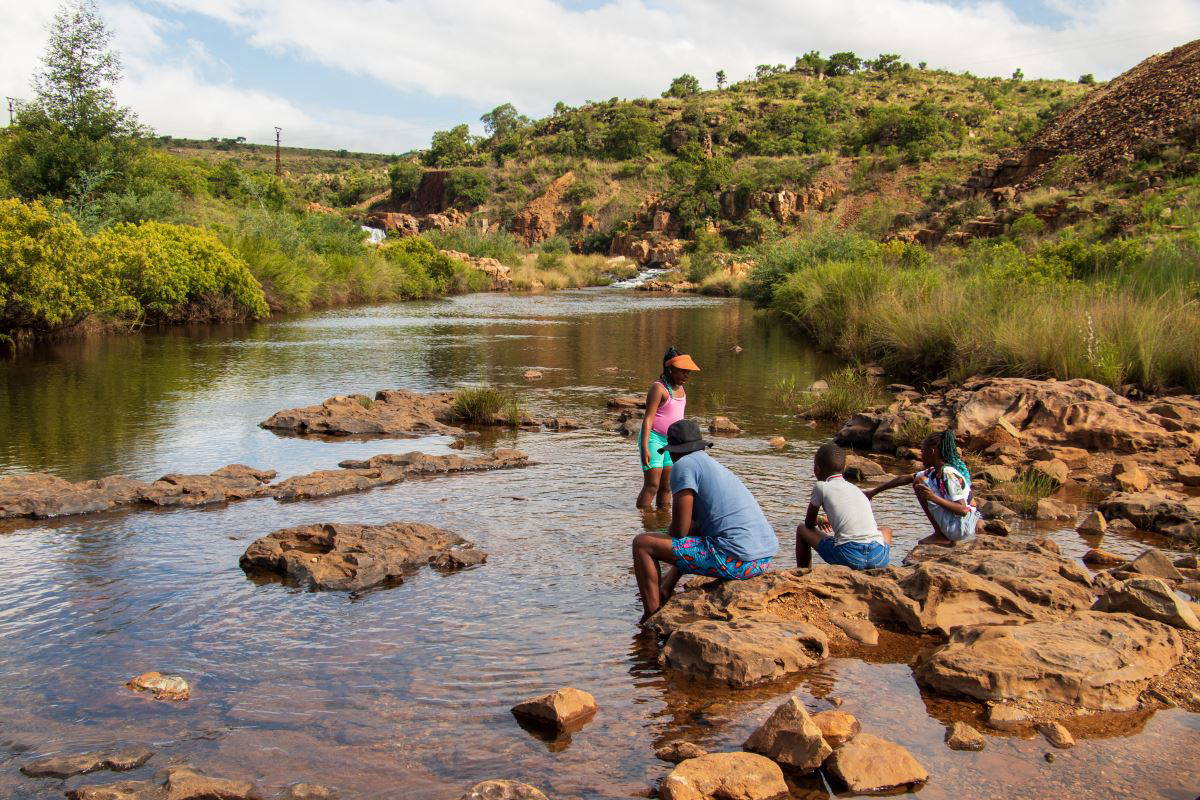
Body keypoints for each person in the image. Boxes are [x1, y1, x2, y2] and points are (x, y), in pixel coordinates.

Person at [631, 419, 778, 624]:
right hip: (761, 560)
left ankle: (652, 617)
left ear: (673, 450)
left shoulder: (683, 466)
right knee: (696, 529)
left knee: (643, 544)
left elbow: (680, 531)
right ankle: (666, 588)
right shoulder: (711, 465)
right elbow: (692, 529)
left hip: (738, 562)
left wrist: (661, 541)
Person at [866, 429, 980, 546]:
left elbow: (962, 510)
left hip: (962, 527)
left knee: (919, 483)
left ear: (932, 451)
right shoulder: (935, 471)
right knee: (918, 479)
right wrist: (873, 492)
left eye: (923, 451)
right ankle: (945, 536)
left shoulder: (948, 473)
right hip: (961, 524)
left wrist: (933, 498)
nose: (921, 455)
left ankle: (941, 535)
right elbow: (905, 478)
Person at [796, 443, 892, 569]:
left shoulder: (821, 487)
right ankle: (878, 568)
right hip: (878, 557)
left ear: (817, 469)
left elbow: (809, 524)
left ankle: (802, 573)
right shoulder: (856, 489)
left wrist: (820, 520)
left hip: (850, 557)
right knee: (886, 530)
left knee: (801, 529)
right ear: (844, 467)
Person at [636, 347, 701, 509]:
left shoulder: (681, 388)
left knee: (667, 487)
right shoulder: (658, 388)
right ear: (670, 369)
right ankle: (644, 520)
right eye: (683, 371)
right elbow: (648, 418)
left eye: (688, 372)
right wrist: (645, 447)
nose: (687, 375)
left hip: (672, 443)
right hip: (654, 439)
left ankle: (662, 522)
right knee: (652, 485)